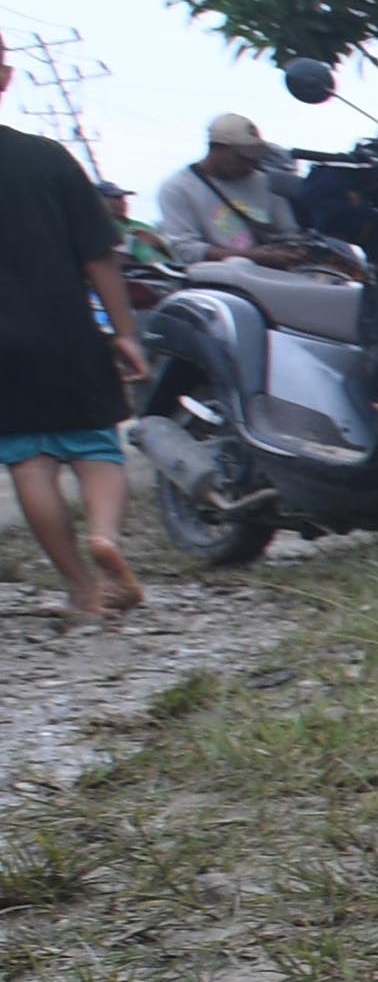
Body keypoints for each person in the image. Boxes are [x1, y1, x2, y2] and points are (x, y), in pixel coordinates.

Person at [0, 123, 148, 621]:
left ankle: (82, 591)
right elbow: (97, 254)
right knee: (96, 448)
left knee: (29, 462)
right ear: (4, 78)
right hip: (66, 328)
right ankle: (104, 538)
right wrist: (124, 330)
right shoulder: (46, 157)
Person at [147, 114, 300, 266]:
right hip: (214, 282)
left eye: (253, 157)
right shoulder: (177, 188)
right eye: (241, 157)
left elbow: (289, 233)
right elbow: (186, 250)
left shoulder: (266, 183)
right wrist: (257, 257)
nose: (249, 164)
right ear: (215, 148)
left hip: (273, 275)